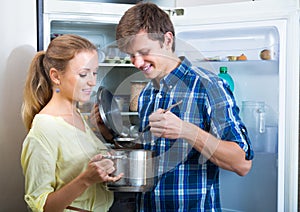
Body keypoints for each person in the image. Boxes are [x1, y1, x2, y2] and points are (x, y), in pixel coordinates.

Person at [116, 2, 254, 211]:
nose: (137, 63)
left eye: (144, 52)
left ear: (167, 39)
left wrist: (186, 130)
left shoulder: (208, 85)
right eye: (131, 55)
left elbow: (242, 163)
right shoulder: (146, 93)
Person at [20, 34, 123, 212]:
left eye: (95, 72)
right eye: (83, 74)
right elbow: (42, 207)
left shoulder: (77, 115)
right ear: (56, 76)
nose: (92, 81)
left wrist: (107, 137)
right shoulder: (44, 130)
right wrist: (86, 179)